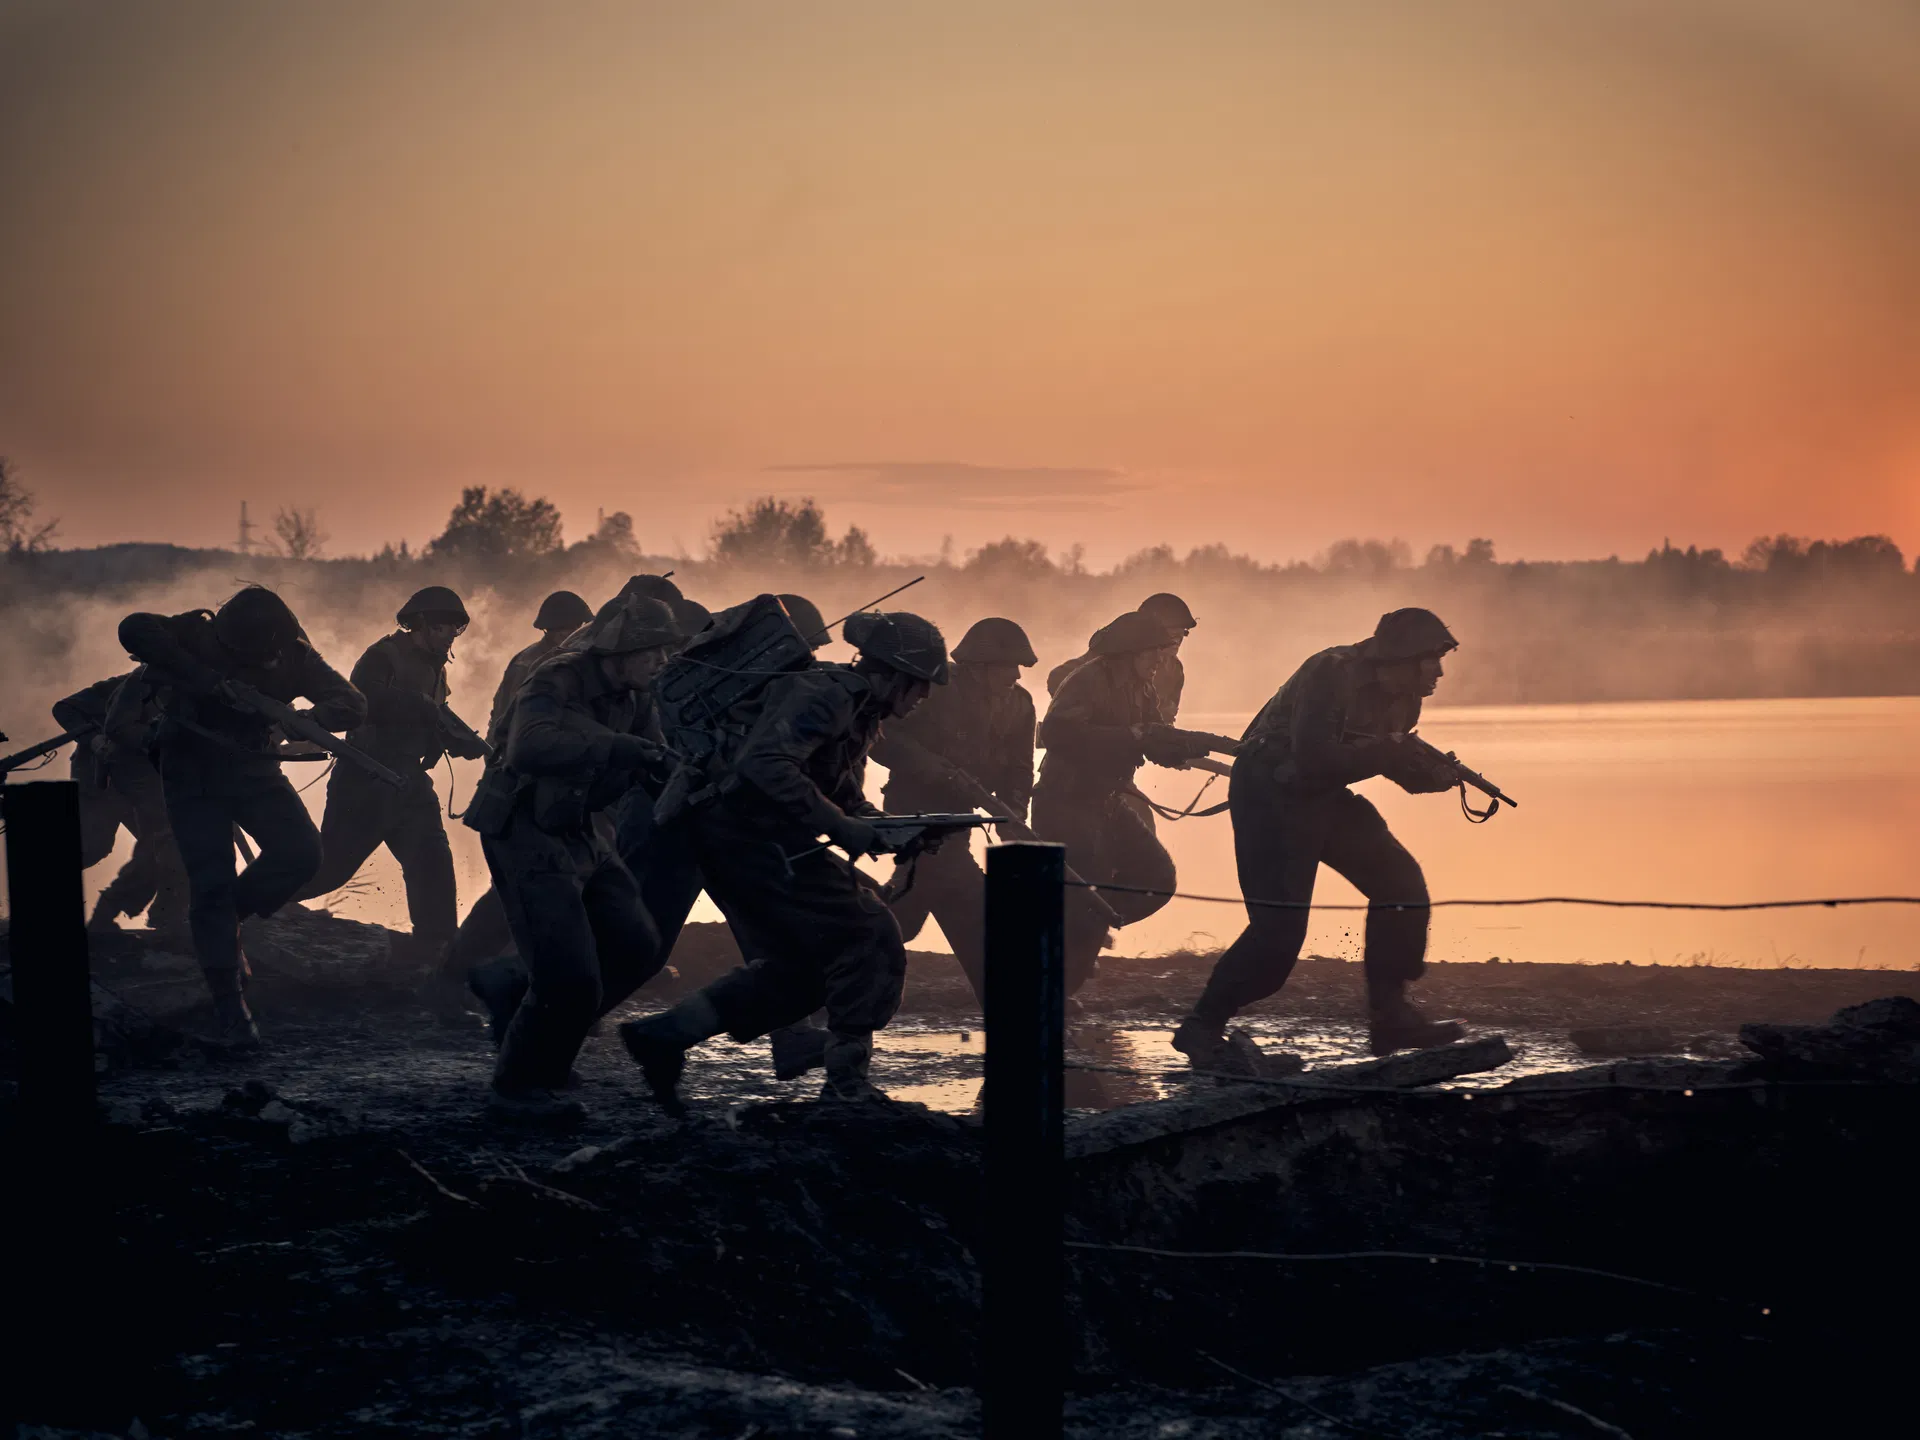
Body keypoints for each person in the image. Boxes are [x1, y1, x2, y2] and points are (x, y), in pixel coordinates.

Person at [618, 610, 948, 1108]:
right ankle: (847, 1084)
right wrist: (843, 827)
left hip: (751, 840)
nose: (923, 698)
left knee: (799, 973)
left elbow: (836, 789)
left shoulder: (856, 708)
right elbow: (765, 764)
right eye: (920, 685)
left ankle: (664, 1037)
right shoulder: (829, 694)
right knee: (870, 932)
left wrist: (889, 829)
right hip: (748, 839)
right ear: (894, 674)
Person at [1172, 608, 1468, 1065]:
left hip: (1323, 795)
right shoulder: (1331, 671)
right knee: (1279, 934)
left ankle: (1390, 1015)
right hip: (1268, 792)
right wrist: (1387, 750)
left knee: (1400, 884)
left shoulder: (1406, 697)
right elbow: (1314, 758)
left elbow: (1389, 768)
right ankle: (1202, 1026)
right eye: (1433, 661)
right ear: (1404, 657)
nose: (1440, 672)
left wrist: (1435, 775)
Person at [462, 593, 684, 1124]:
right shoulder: (555, 678)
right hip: (523, 829)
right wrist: (616, 747)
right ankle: (514, 1089)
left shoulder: (636, 696)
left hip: (578, 827)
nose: (662, 662)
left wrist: (685, 774)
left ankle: (523, 1008)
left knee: (636, 944)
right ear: (624, 648)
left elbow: (652, 756)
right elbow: (529, 748)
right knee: (570, 976)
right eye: (653, 651)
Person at [118, 587, 367, 1048]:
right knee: (210, 880)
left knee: (302, 853)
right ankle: (230, 1006)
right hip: (190, 774)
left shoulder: (295, 656)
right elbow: (134, 628)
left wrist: (307, 717)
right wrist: (205, 679)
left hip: (255, 770)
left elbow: (351, 702)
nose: (269, 663)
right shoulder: (195, 634)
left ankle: (225, 917)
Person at [293, 586, 490, 976]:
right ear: (421, 624)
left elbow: (435, 712)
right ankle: (245, 907)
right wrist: (424, 709)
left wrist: (458, 737)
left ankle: (437, 962)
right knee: (331, 868)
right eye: (445, 626)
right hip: (366, 779)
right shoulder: (381, 657)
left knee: (432, 864)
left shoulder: (437, 665)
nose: (452, 634)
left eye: (456, 627)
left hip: (410, 780)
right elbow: (362, 702)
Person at [1031, 610, 1221, 994]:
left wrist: (1195, 744)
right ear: (1131, 653)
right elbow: (1056, 731)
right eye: (1153, 653)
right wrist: (1128, 736)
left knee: (1157, 878)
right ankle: (1058, 984)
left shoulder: (1142, 686)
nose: (1159, 661)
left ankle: (1075, 933)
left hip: (1109, 802)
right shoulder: (1088, 680)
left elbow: (1155, 739)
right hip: (1066, 803)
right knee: (1091, 893)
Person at [871, 616, 1038, 1003]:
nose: (1015, 674)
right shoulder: (934, 689)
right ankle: (1008, 1001)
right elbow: (883, 737)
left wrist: (1012, 813)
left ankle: (834, 967)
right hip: (915, 817)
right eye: (1007, 666)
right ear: (978, 669)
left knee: (912, 914)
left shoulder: (1020, 704)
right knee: (965, 901)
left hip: (961, 820)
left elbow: (1020, 767)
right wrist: (939, 772)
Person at [53, 667, 189, 943]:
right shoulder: (132, 684)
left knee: (170, 844)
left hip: (145, 783)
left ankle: (166, 917)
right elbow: (65, 709)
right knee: (92, 846)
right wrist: (95, 740)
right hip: (102, 778)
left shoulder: (198, 690)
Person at [1047, 592, 1197, 722]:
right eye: (1171, 635)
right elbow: (1058, 678)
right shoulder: (1112, 658)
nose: (1177, 641)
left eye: (1182, 634)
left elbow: (1165, 720)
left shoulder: (1173, 670)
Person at [487, 590, 593, 743]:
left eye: (578, 627)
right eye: (570, 629)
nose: (576, 633)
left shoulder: (576, 658)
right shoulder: (526, 664)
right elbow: (508, 714)